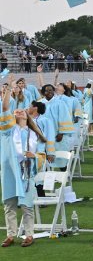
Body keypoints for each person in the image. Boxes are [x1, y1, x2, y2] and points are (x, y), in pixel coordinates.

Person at [1, 79, 48, 247]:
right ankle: (11, 234)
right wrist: (7, 90)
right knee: (9, 204)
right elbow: (5, 108)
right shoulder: (8, 130)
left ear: (27, 115)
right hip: (9, 170)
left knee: (26, 206)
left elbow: (43, 154)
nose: (19, 111)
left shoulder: (35, 133)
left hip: (26, 170)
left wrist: (34, 156)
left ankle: (29, 234)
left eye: (22, 110)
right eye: (17, 110)